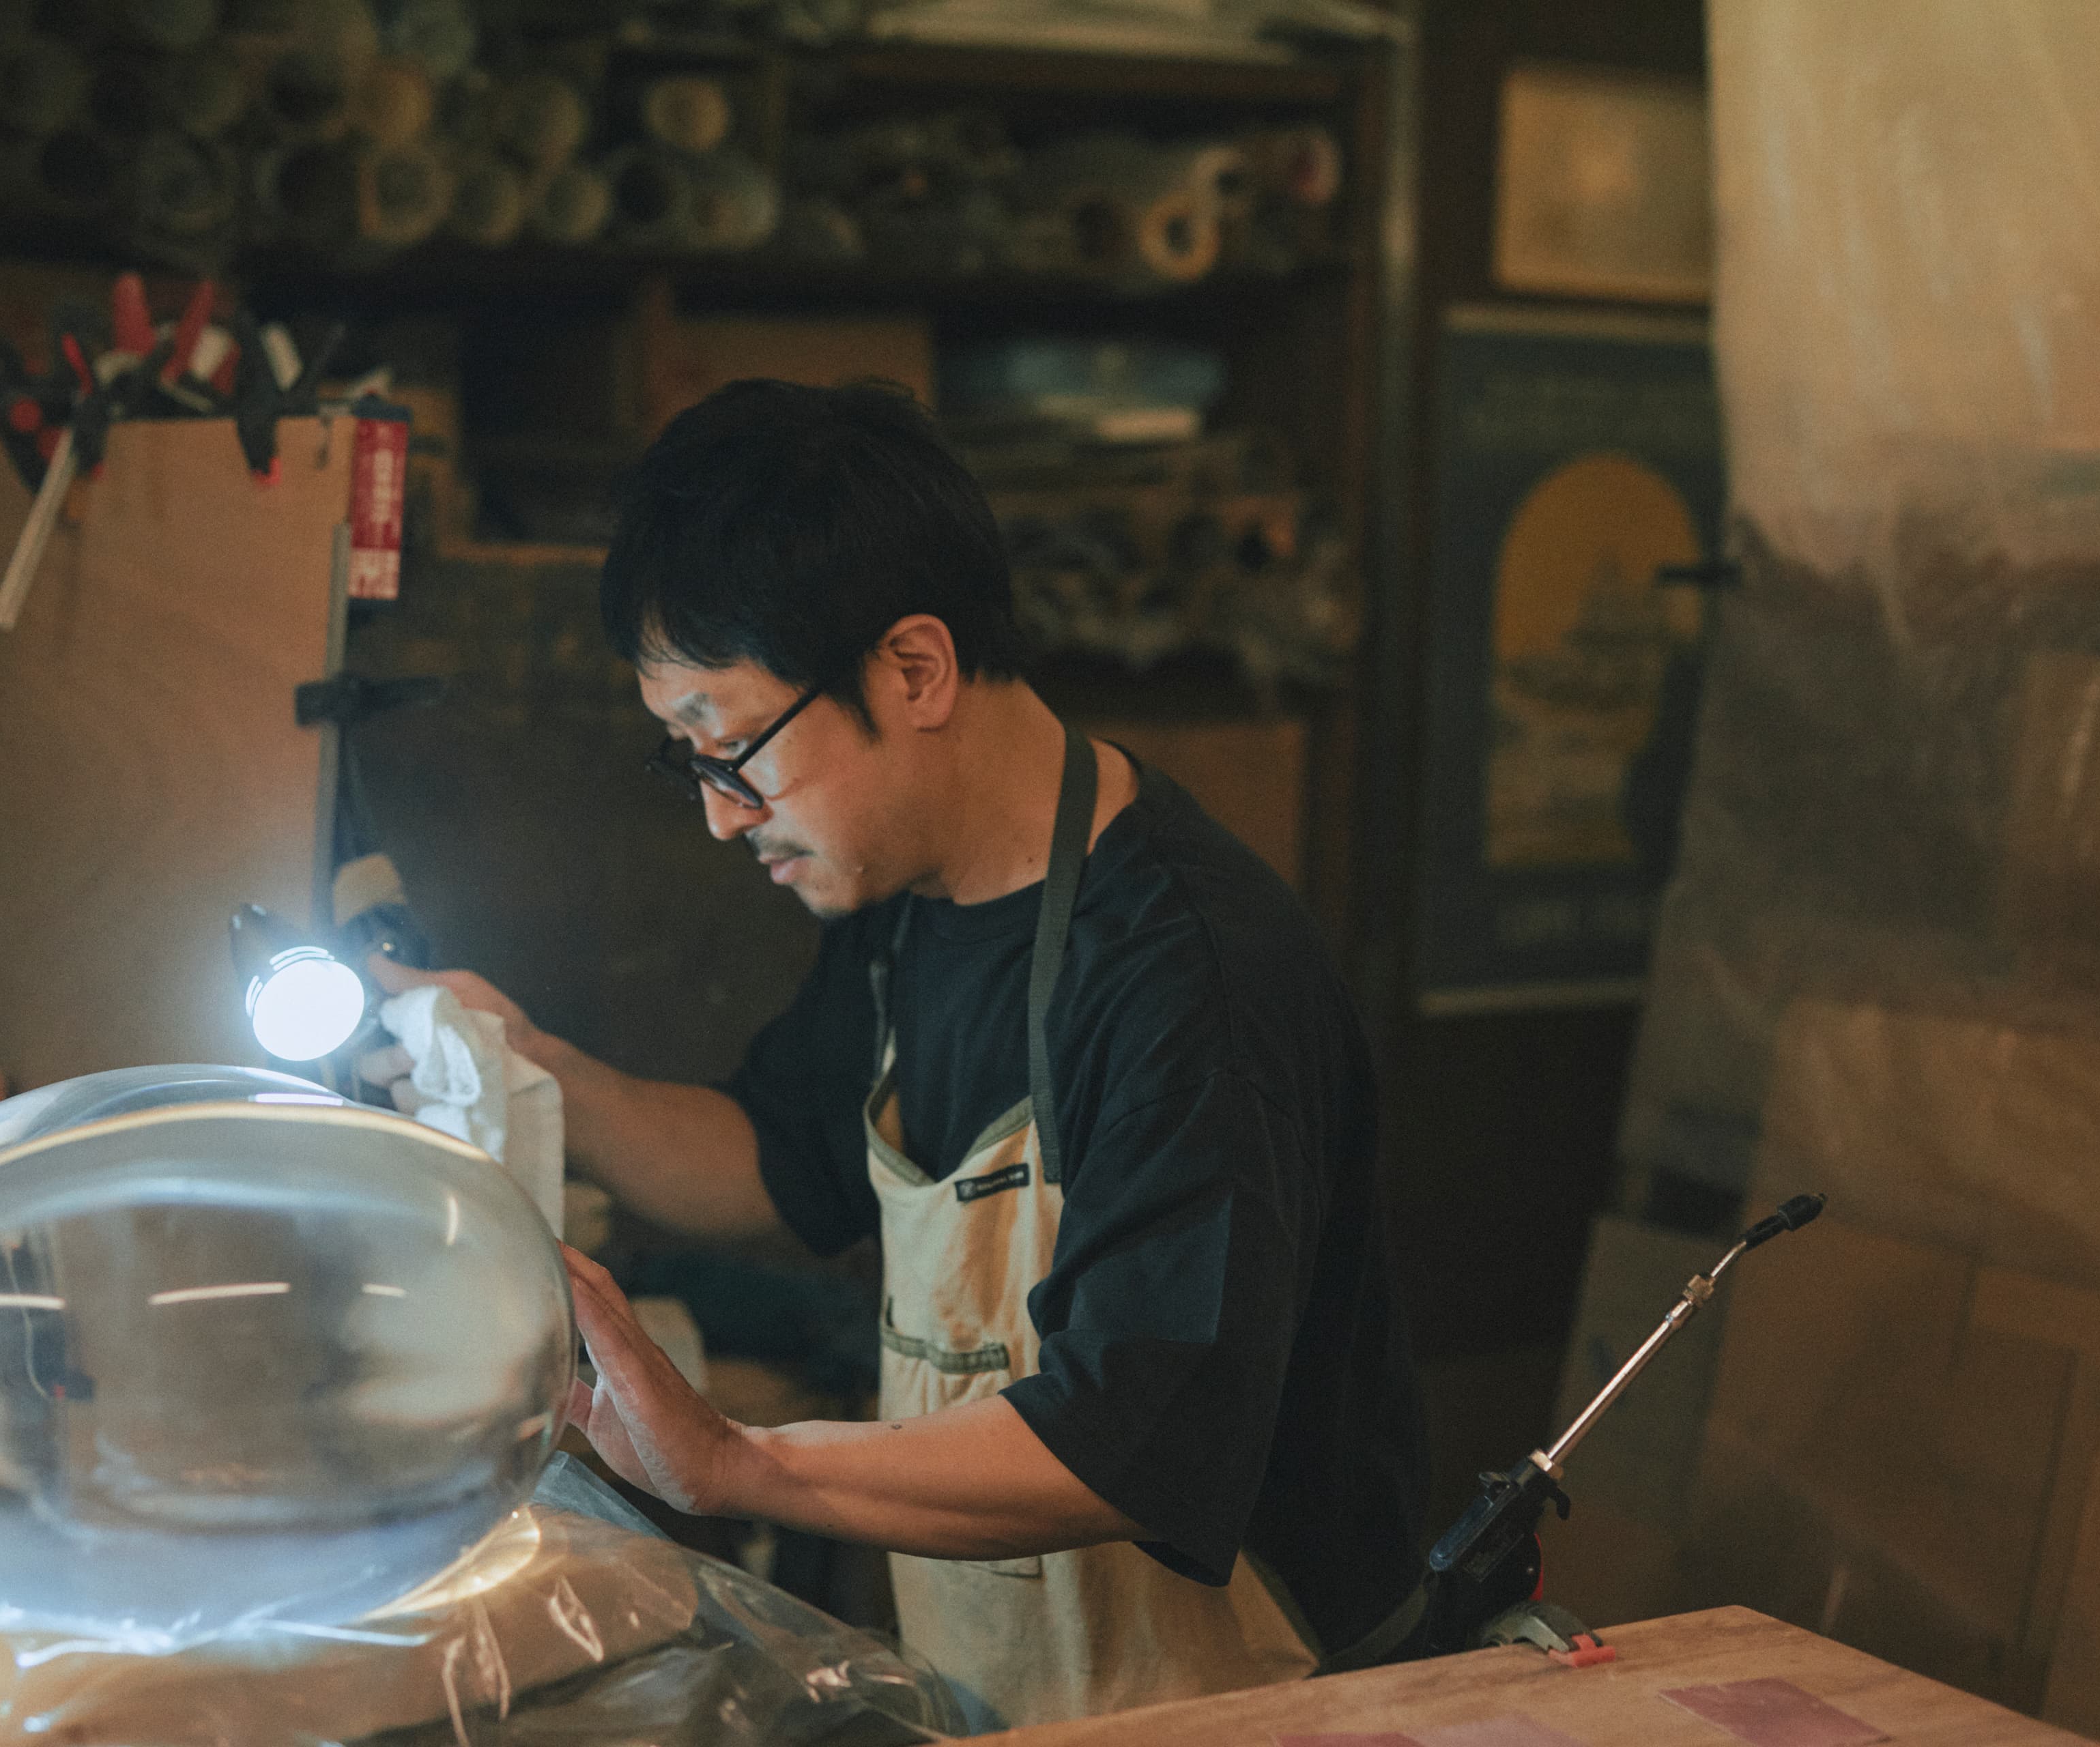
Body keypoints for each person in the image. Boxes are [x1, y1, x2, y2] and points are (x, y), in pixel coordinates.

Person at [373, 379, 1428, 1729]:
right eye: (686, 758)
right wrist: (533, 1066)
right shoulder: (904, 900)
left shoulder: (1190, 975)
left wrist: (739, 1464)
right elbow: (780, 1163)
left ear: (914, 670)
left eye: (733, 748)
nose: (720, 815)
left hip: (1254, 1703)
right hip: (1017, 1697)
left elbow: (1129, 1441)